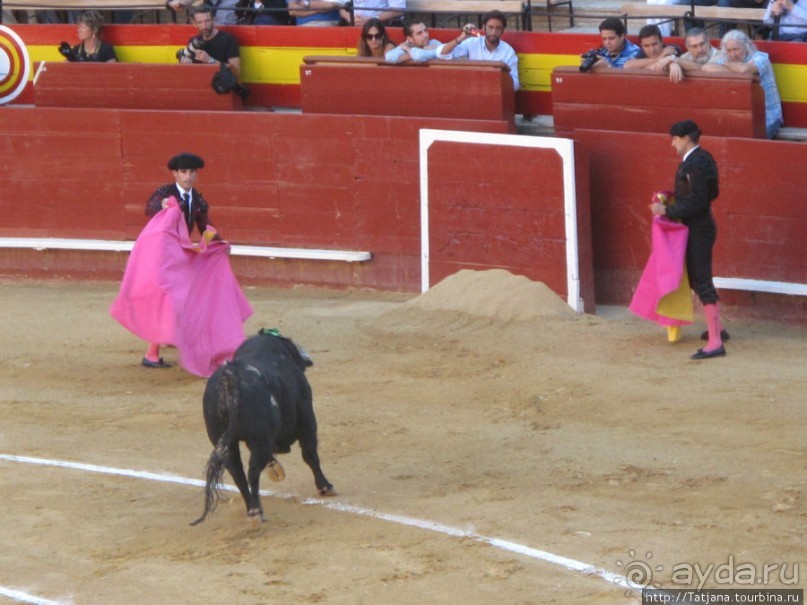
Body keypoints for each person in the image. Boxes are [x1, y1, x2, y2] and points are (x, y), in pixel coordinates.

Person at [110, 153, 252, 375]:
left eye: (192, 172)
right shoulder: (165, 192)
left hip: (181, 255)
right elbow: (151, 207)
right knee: (168, 298)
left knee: (186, 297)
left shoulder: (197, 198)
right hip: (162, 254)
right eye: (184, 172)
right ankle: (152, 353)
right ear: (175, 174)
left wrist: (219, 242)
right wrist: (163, 205)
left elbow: (204, 225)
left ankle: (165, 341)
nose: (188, 176)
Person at [650, 120, 727, 360]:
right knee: (698, 279)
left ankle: (715, 342)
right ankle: (719, 330)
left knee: (701, 281)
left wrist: (667, 211)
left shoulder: (694, 164)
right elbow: (709, 194)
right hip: (701, 226)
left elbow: (698, 202)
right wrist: (673, 198)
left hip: (698, 228)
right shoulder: (703, 158)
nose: (672, 144)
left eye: (674, 139)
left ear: (685, 138)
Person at [702, 29, 783, 138]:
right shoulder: (728, 60)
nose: (733, 54)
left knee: (751, 139)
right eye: (729, 51)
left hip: (768, 115)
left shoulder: (761, 57)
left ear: (746, 46)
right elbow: (706, 67)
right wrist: (731, 66)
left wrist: (727, 66)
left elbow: (744, 70)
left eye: (736, 49)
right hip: (743, 117)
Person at [435, 10, 520, 90]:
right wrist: (462, 37)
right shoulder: (472, 43)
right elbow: (441, 54)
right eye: (490, 27)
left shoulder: (508, 52)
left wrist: (499, 77)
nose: (494, 32)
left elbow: (515, 84)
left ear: (503, 30)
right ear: (484, 28)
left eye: (498, 28)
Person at [178, 6, 241, 80]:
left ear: (213, 20)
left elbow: (236, 71)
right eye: (200, 22)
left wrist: (210, 60)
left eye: (207, 21)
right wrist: (186, 66)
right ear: (194, 24)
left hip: (222, 85)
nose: (204, 26)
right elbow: (190, 75)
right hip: (201, 85)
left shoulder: (228, 39)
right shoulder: (193, 41)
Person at [340, 0, 405, 26]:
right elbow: (342, 6)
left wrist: (373, 19)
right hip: (352, 26)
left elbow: (398, 10)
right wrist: (350, 17)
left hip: (380, 27)